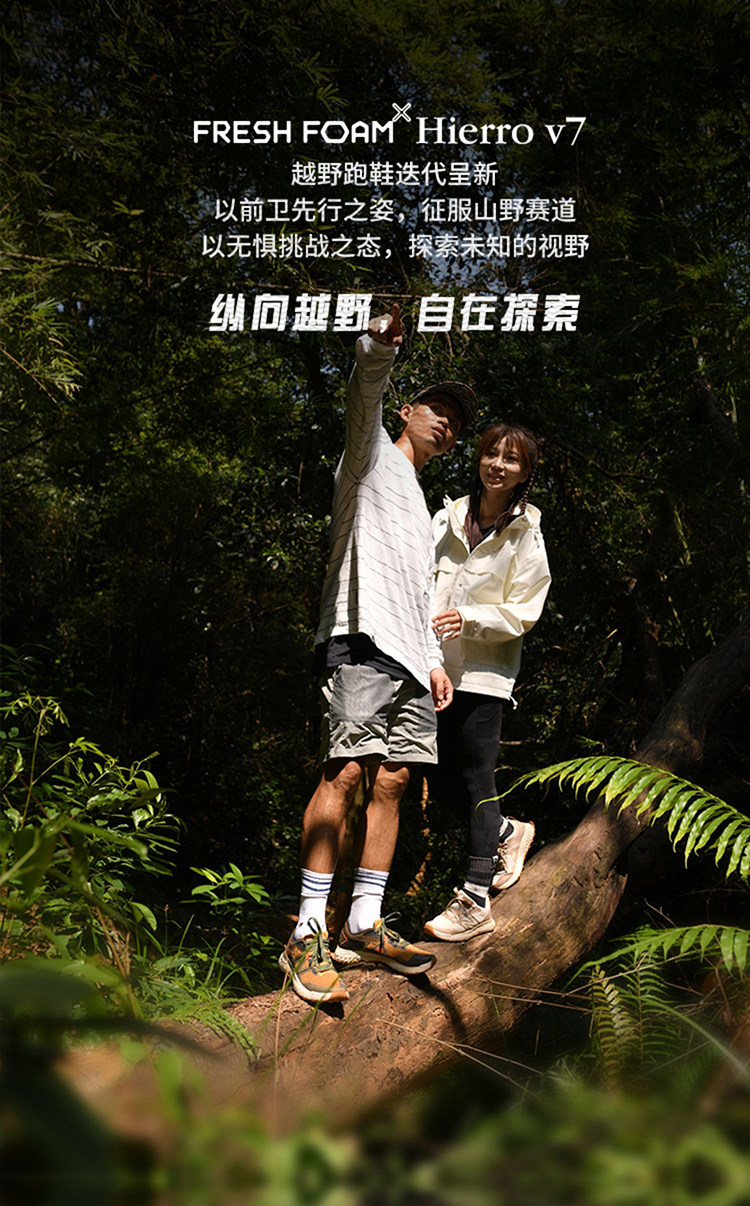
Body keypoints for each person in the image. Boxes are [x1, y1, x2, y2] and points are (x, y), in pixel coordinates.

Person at [280, 303, 478, 1003]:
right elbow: (361, 396)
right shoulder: (367, 459)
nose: (446, 423)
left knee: (393, 782)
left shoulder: (424, 507)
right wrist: (377, 350)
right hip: (360, 637)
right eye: (437, 409)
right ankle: (307, 930)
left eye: (456, 421)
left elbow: (417, 592)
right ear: (407, 410)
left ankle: (363, 923)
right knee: (344, 773)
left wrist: (433, 660)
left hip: (409, 658)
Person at [423, 424, 551, 942]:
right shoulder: (447, 517)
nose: (498, 465)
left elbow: (525, 609)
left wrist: (470, 618)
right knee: (437, 778)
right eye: (491, 454)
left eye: (511, 460)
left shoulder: (526, 533)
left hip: (485, 672)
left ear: (525, 473)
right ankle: (505, 831)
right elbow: (420, 581)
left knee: (478, 776)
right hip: (433, 666)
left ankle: (475, 897)